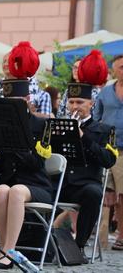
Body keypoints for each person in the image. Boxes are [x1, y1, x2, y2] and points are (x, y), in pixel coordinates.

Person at [55, 63, 116, 263]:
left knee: (94, 193)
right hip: (62, 183)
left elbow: (107, 160)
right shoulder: (60, 127)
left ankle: (78, 245)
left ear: (91, 104)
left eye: (80, 102)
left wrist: (83, 137)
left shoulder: (103, 129)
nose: (74, 107)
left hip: (85, 184)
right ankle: (38, 242)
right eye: (71, 102)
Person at [0, 77, 53, 269]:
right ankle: (3, 248)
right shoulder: (2, 126)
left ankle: (9, 251)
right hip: (11, 184)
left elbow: (36, 164)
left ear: (27, 99)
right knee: (1, 189)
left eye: (15, 101)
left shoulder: (41, 126)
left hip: (37, 185)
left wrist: (16, 143)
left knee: (16, 191)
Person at [93, 54, 123, 250]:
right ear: (113, 70)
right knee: (106, 195)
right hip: (107, 148)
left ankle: (121, 234)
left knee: (122, 196)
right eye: (119, 68)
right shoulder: (105, 92)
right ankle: (100, 238)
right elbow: (97, 116)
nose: (122, 71)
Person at [0, 50, 53, 118]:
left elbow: (45, 119)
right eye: (4, 61)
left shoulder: (42, 95)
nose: (5, 64)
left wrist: (30, 113)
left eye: (9, 61)